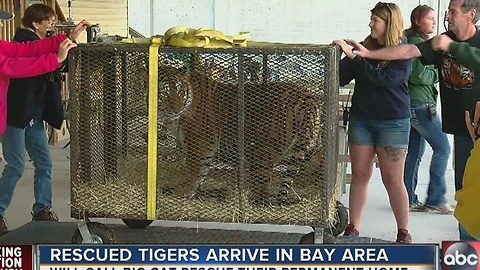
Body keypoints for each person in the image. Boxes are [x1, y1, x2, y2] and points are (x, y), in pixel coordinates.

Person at [346, 0, 480, 241]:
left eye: (451, 11)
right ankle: (468, 250)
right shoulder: (441, 39)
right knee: (465, 191)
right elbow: (408, 52)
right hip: (463, 128)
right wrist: (364, 54)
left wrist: (453, 48)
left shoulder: (453, 42)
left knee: (408, 174)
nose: (445, 16)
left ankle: (416, 229)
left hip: (464, 128)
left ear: (471, 14)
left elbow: (392, 76)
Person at [0, 8, 89, 236]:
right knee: (16, 166)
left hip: (30, 115)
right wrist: (56, 59)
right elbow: (18, 68)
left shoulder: (6, 45)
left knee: (43, 163)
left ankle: (42, 209)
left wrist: (68, 37)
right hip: (14, 116)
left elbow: (28, 50)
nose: (1, 26)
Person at [332, 2, 413, 243]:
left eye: (375, 20)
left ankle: (403, 231)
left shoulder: (403, 49)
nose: (370, 24)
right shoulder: (365, 45)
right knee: (360, 174)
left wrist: (355, 58)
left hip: (394, 123)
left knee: (392, 179)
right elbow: (343, 77)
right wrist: (337, 57)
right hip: (362, 120)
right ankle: (353, 227)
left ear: (389, 23)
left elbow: (383, 79)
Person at [403, 5, 452, 214]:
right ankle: (435, 198)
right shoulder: (417, 44)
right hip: (421, 105)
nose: (434, 22)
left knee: (414, 153)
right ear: (417, 21)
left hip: (413, 105)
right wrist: (437, 74)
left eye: (434, 18)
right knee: (443, 148)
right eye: (429, 18)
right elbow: (417, 76)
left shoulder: (415, 41)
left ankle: (407, 199)